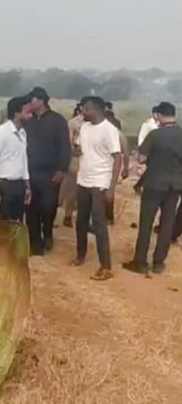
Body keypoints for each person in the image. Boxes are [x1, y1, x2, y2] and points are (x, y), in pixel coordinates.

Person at [123, 102, 182, 275]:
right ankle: (158, 263)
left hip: (154, 183)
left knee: (146, 222)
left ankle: (140, 261)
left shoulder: (155, 135)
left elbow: (141, 159)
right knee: (167, 223)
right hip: (175, 186)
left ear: (159, 116)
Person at [72, 97, 122, 281]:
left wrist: (111, 188)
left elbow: (118, 158)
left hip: (100, 182)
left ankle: (106, 266)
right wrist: (75, 151)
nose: (82, 113)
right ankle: (80, 255)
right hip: (83, 180)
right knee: (81, 221)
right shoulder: (84, 128)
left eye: (85, 109)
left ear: (95, 110)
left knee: (99, 224)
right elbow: (78, 148)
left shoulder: (109, 130)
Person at [25, 87, 71, 254]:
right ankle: (35, 243)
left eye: (32, 100)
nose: (30, 103)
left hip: (50, 173)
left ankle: (48, 233)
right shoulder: (28, 121)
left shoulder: (57, 121)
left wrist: (61, 170)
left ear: (41, 101)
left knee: (48, 207)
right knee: (31, 208)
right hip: (30, 172)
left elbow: (65, 147)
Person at [0, 96, 32, 223]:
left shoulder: (23, 133)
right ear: (17, 114)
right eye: (27, 112)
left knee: (17, 222)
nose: (30, 116)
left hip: (18, 185)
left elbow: (24, 161)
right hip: (4, 185)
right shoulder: (0, 133)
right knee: (4, 224)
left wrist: (27, 187)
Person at [60, 103, 84, 228]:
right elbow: (68, 142)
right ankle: (68, 216)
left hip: (89, 162)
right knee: (72, 191)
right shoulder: (73, 123)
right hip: (76, 160)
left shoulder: (95, 124)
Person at [134, 107, 160, 194]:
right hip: (148, 149)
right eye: (157, 113)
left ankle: (139, 185)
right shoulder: (148, 124)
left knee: (152, 169)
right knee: (152, 168)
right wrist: (142, 150)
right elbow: (141, 137)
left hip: (156, 150)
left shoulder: (159, 123)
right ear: (153, 113)